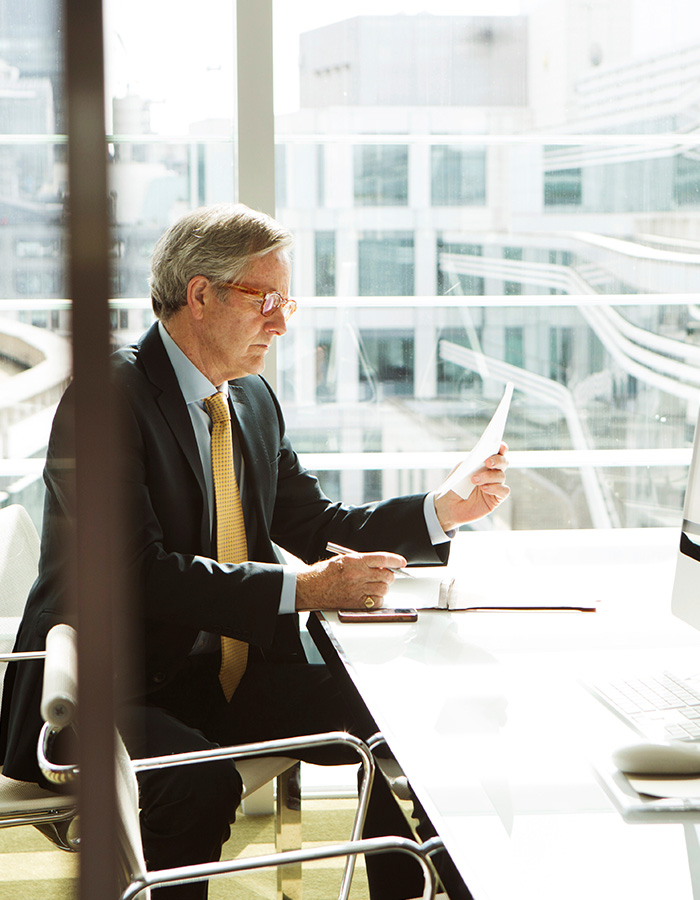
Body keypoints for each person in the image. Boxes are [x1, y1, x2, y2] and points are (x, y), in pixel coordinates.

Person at [0, 203, 509, 899]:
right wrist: (305, 590)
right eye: (263, 299)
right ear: (199, 296)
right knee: (199, 785)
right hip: (110, 687)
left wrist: (441, 509)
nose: (281, 320)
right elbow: (136, 573)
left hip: (216, 682)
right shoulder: (106, 398)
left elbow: (317, 521)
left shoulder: (251, 400)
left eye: (285, 300)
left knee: (404, 725)